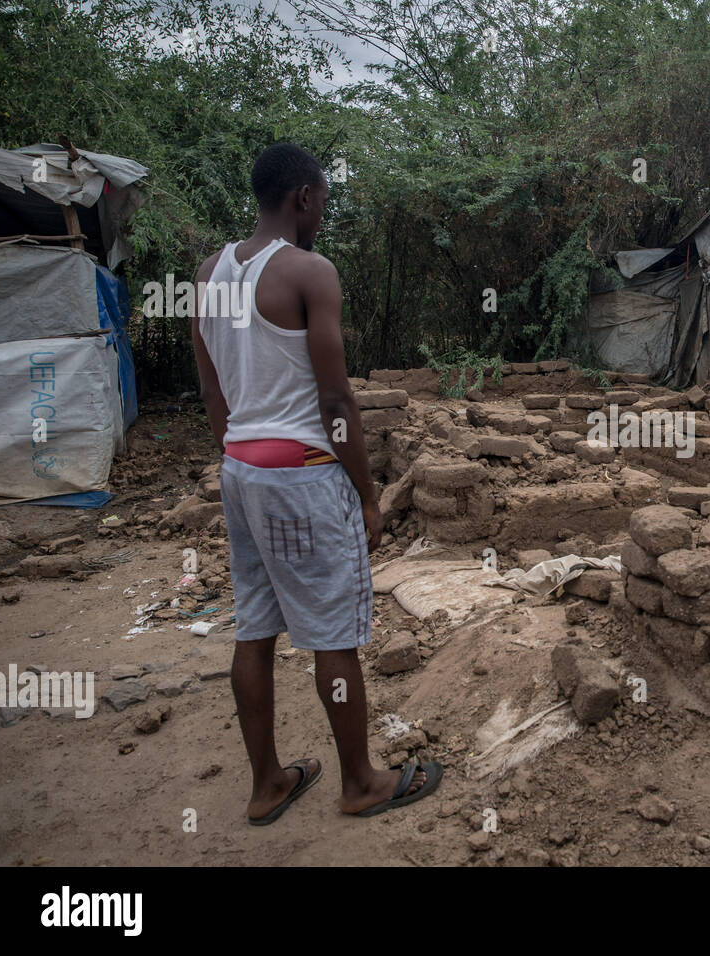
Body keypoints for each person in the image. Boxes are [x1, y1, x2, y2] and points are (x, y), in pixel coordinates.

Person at [191, 142, 442, 825]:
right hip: (300, 476)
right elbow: (335, 402)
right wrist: (366, 494)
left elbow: (212, 387)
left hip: (241, 469)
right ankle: (360, 782)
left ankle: (267, 782)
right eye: (323, 200)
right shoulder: (309, 272)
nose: (323, 213)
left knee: (255, 628)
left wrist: (241, 460)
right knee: (332, 635)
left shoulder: (209, 273)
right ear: (302, 196)